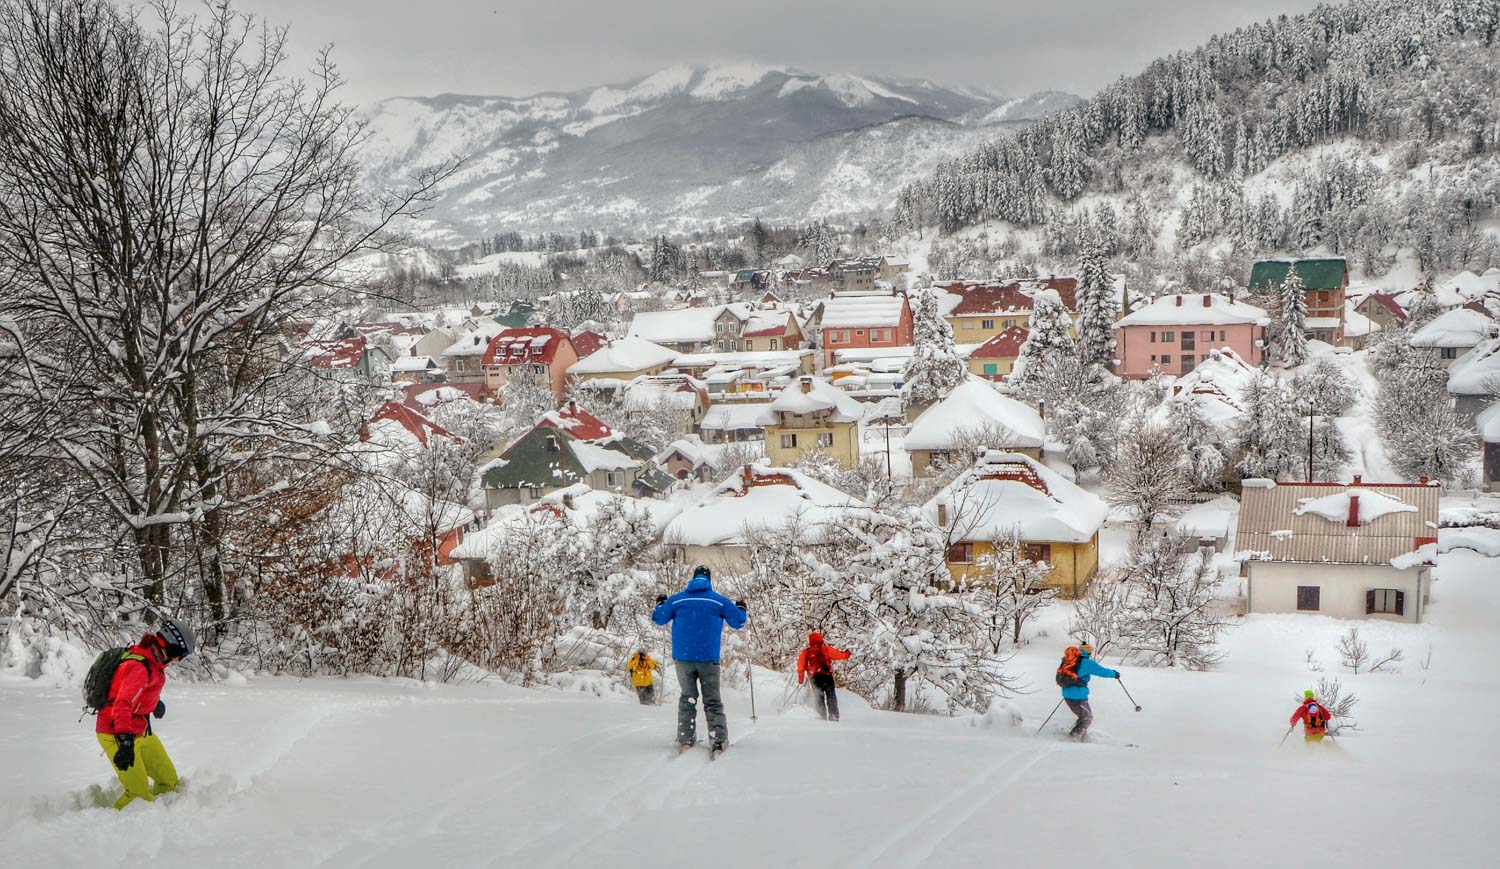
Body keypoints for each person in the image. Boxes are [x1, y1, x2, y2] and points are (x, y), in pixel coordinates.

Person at [96, 618, 195, 809]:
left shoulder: (151, 661)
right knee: (138, 796)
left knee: (168, 783)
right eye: (181, 655)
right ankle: (109, 825)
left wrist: (154, 702)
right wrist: (125, 742)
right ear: (172, 648)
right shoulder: (140, 667)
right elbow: (122, 704)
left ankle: (161, 819)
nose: (180, 660)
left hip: (140, 729)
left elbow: (134, 690)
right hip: (117, 731)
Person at [652, 566, 746, 751]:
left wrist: (661, 604)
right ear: (709, 580)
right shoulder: (718, 601)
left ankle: (686, 738)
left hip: (683, 658)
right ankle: (718, 740)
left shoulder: (678, 600)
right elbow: (738, 622)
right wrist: (741, 607)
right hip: (708, 658)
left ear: (693, 579)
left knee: (687, 697)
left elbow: (659, 618)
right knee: (712, 700)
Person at [1056, 643, 1118, 740]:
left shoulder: (1069, 660)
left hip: (1068, 693)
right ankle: (1073, 738)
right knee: (1087, 718)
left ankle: (1081, 737)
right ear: (1088, 653)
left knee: (1083, 717)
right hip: (1078, 696)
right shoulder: (1086, 662)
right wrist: (1114, 674)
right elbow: (1102, 671)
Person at [797, 632, 851, 722]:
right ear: (820, 639)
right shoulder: (825, 649)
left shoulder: (806, 652)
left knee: (819, 697)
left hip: (814, 678)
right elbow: (839, 655)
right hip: (827, 676)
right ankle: (833, 715)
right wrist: (847, 654)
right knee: (831, 696)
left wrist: (801, 679)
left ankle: (821, 716)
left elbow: (800, 667)